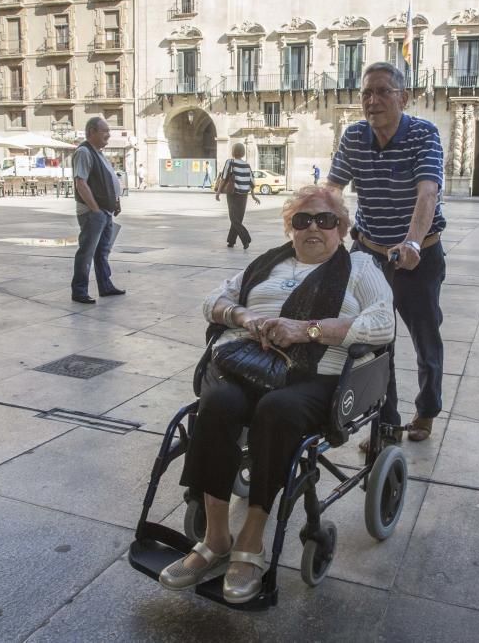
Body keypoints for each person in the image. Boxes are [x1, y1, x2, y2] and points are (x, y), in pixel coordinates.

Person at [158, 186, 395, 604]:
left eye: (325, 220)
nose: (313, 228)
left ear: (341, 227)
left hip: (316, 378)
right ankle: (215, 539)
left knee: (276, 410)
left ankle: (251, 541)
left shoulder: (359, 268)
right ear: (290, 228)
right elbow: (214, 299)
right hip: (245, 365)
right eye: (302, 220)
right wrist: (244, 316)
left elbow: (382, 323)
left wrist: (308, 330)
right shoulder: (268, 263)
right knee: (216, 404)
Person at [326, 61, 447, 449]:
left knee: (425, 338)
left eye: (382, 92)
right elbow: (333, 189)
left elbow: (427, 193)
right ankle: (388, 425)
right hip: (370, 253)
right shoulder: (354, 137)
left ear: (403, 97)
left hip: (419, 257)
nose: (372, 100)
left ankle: (427, 409)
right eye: (366, 93)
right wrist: (316, 225)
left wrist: (412, 242)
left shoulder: (423, 134)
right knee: (377, 342)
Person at [70, 116, 124, 304]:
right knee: (87, 251)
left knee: (102, 251)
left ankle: (105, 285)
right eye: (105, 131)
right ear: (92, 132)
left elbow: (107, 180)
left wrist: (115, 202)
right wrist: (95, 210)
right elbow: (81, 183)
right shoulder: (84, 152)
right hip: (93, 213)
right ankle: (79, 290)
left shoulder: (98, 152)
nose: (108, 135)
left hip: (104, 211)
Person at [215, 143, 260, 249]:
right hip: (244, 195)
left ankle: (246, 239)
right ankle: (231, 241)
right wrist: (253, 196)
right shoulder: (247, 165)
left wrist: (218, 192)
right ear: (243, 152)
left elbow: (224, 178)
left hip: (233, 194)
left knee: (234, 219)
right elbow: (252, 182)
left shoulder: (230, 162)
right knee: (237, 219)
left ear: (233, 151)